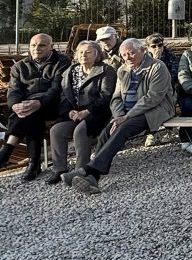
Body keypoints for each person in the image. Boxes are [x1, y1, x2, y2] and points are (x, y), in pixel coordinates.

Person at [63, 39, 176, 194]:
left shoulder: (157, 67)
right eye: (124, 54)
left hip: (155, 110)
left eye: (131, 53)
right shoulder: (123, 70)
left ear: (143, 51)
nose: (128, 57)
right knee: (105, 133)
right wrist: (118, 116)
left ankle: (86, 169)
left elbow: (153, 97)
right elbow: (116, 98)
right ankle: (92, 178)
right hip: (125, 114)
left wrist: (127, 116)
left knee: (123, 128)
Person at [0, 34, 71, 180]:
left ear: (51, 47)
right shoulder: (19, 66)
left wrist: (38, 102)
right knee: (32, 115)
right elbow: (14, 90)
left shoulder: (62, 62)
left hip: (54, 105)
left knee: (32, 110)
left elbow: (57, 89)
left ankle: (8, 152)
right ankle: (33, 164)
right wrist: (14, 106)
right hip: (29, 109)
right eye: (33, 45)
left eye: (42, 45)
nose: (36, 49)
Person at [45, 41, 116, 185]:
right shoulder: (71, 71)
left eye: (88, 52)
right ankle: (59, 169)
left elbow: (106, 95)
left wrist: (87, 111)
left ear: (97, 54)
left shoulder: (106, 70)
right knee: (56, 130)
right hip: (74, 113)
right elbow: (64, 94)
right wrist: (68, 111)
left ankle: (81, 169)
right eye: (81, 52)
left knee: (80, 131)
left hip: (98, 113)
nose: (84, 55)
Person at [143, 33, 179, 147]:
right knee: (147, 100)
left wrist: (159, 63)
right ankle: (150, 133)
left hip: (167, 87)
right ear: (148, 47)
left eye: (160, 45)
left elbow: (173, 75)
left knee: (168, 98)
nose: (157, 48)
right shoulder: (144, 58)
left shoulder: (170, 56)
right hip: (149, 88)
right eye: (154, 46)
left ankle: (169, 130)